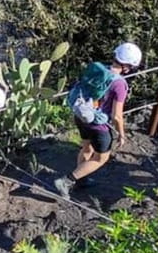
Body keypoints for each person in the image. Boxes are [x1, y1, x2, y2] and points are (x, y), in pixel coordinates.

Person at [54, 43, 142, 198]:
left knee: (87, 148)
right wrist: (122, 134)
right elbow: (117, 115)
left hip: (81, 116)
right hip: (98, 125)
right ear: (128, 66)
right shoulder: (120, 84)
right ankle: (67, 181)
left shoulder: (98, 69)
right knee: (101, 158)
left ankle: (81, 179)